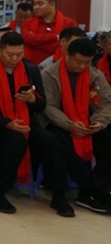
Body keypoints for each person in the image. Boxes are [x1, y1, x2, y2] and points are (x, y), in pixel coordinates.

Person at [0, 32, 73, 216]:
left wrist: (32, 99)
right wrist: (7, 123)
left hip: (27, 121)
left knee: (50, 141)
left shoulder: (31, 70)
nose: (15, 59)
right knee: (15, 141)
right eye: (10, 54)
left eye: (19, 54)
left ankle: (58, 194)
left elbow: (42, 104)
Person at [42, 38, 111, 213]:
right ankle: (62, 195)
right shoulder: (49, 74)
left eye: (86, 63)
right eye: (78, 62)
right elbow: (47, 107)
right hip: (58, 123)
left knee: (108, 140)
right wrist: (69, 124)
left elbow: (105, 104)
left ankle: (95, 190)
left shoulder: (95, 76)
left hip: (88, 122)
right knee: (57, 143)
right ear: (67, 55)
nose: (81, 67)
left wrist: (98, 122)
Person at [21, 0, 78, 64]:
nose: (36, 7)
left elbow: (68, 46)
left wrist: (35, 44)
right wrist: (55, 38)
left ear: (52, 4)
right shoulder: (28, 22)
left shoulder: (69, 23)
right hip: (31, 65)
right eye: (34, 4)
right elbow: (27, 39)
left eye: (40, 4)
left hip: (57, 65)